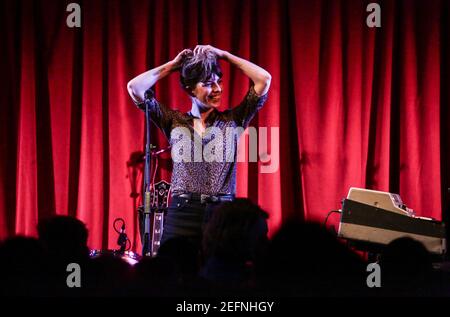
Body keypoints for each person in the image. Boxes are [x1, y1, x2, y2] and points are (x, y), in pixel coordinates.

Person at [127, 45, 271, 250]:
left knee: (221, 275)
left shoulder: (233, 120)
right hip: (182, 213)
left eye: (219, 82)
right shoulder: (174, 121)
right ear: (190, 88)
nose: (218, 89)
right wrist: (173, 65)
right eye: (208, 84)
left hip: (223, 215)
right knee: (174, 274)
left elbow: (264, 79)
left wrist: (224, 55)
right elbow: (135, 88)